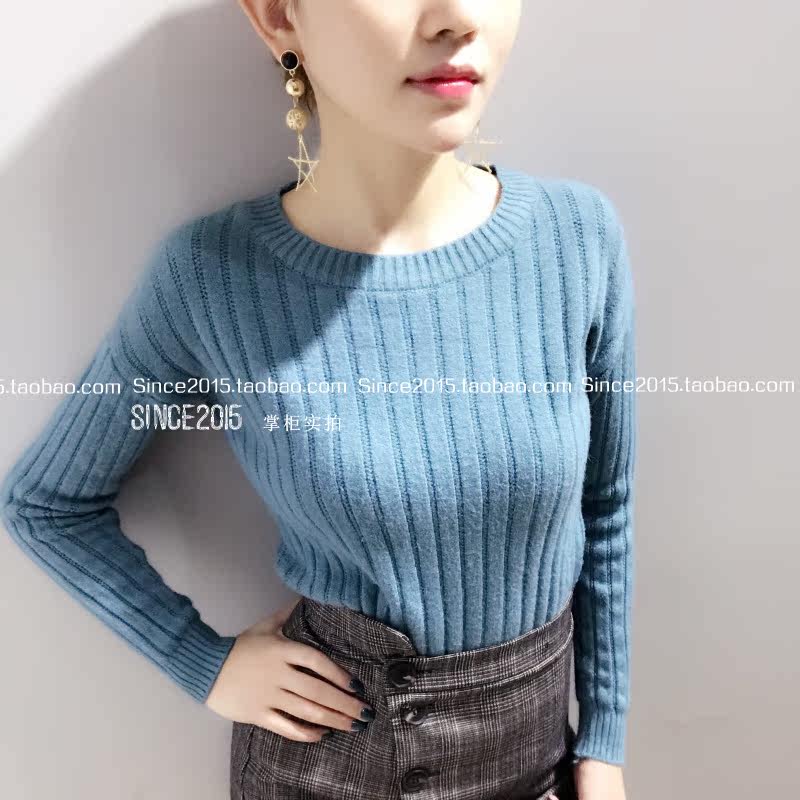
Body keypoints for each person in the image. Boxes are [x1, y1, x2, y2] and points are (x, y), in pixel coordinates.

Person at [0, 1, 638, 798]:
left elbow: (606, 505)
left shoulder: (576, 239)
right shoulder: (214, 280)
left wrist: (603, 747)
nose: (457, 17)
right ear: (278, 17)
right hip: (330, 769)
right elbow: (45, 505)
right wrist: (203, 662)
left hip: (539, 763)